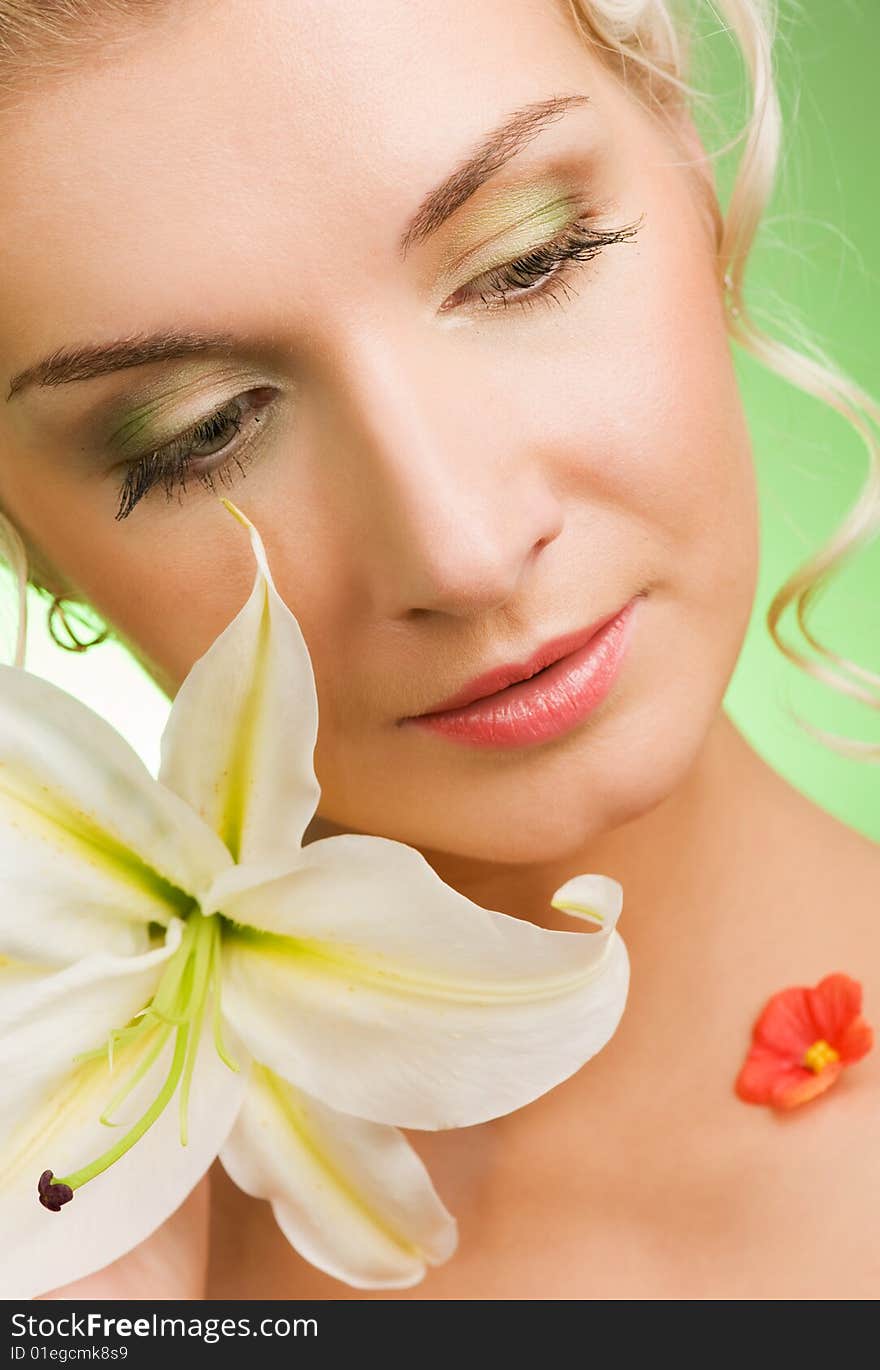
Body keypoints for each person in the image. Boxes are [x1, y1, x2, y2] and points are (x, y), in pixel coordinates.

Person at [1, 0, 878, 1301]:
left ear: (692, 160)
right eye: (199, 433)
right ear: (34, 547)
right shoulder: (65, 1228)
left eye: (530, 260)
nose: (459, 549)